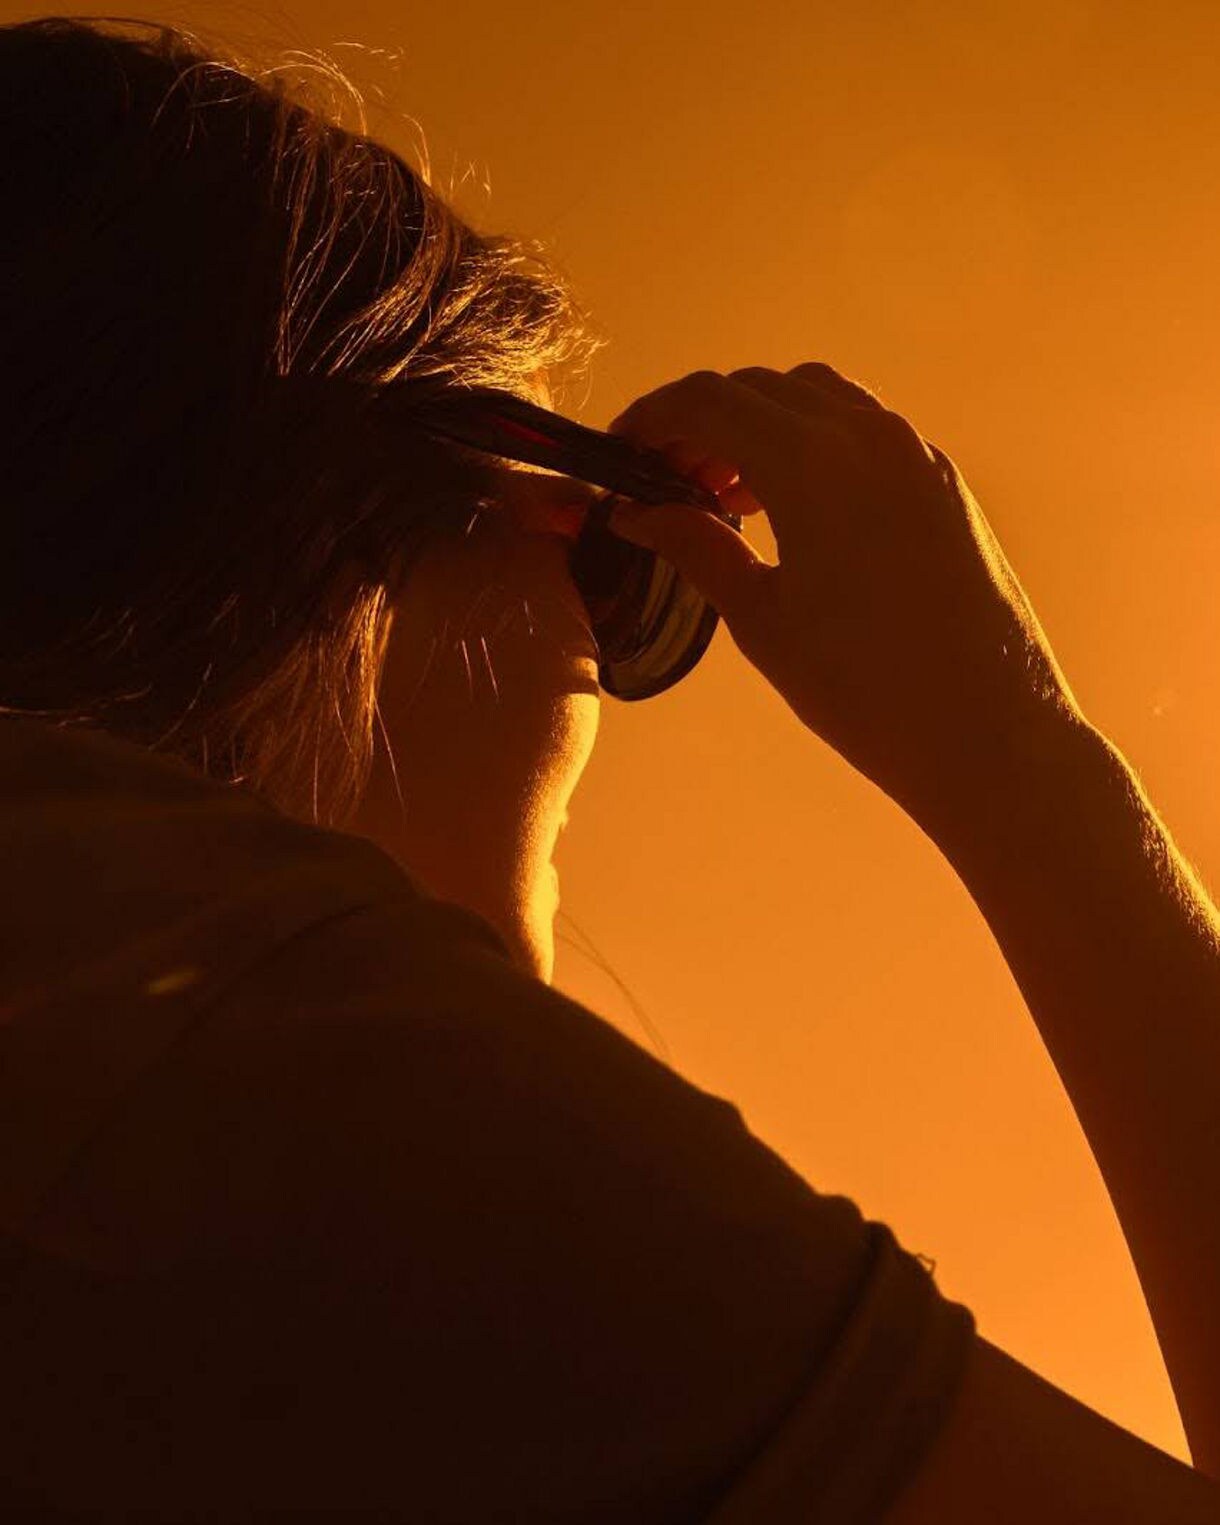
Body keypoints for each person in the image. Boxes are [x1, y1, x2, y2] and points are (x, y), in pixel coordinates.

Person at [0, 14, 1217, 1524]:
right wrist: (1030, 770)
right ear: (325, 512)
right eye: (611, 550)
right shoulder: (304, 1076)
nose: (600, 668)